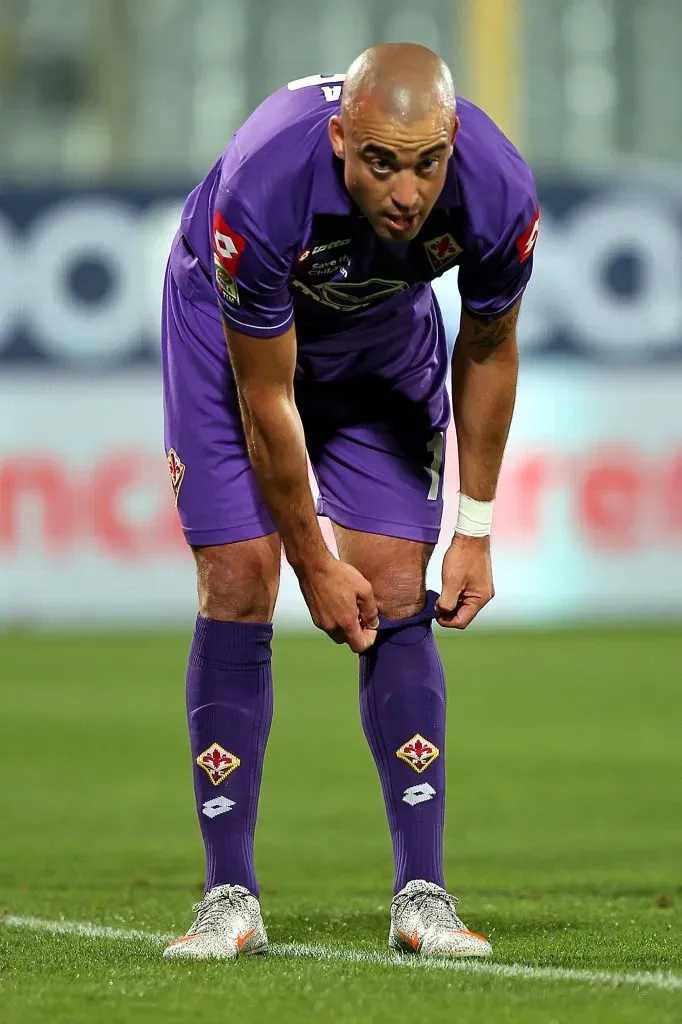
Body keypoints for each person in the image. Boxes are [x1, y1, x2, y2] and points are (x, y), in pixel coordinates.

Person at [161, 42, 538, 960]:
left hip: (379, 339)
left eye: (426, 163)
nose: (407, 193)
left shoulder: (499, 193)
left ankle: (423, 894)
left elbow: (488, 346)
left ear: (451, 140)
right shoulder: (263, 185)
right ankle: (228, 895)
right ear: (338, 139)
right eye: (379, 162)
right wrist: (310, 564)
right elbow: (269, 402)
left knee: (397, 584)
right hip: (231, 342)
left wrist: (476, 530)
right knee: (241, 579)